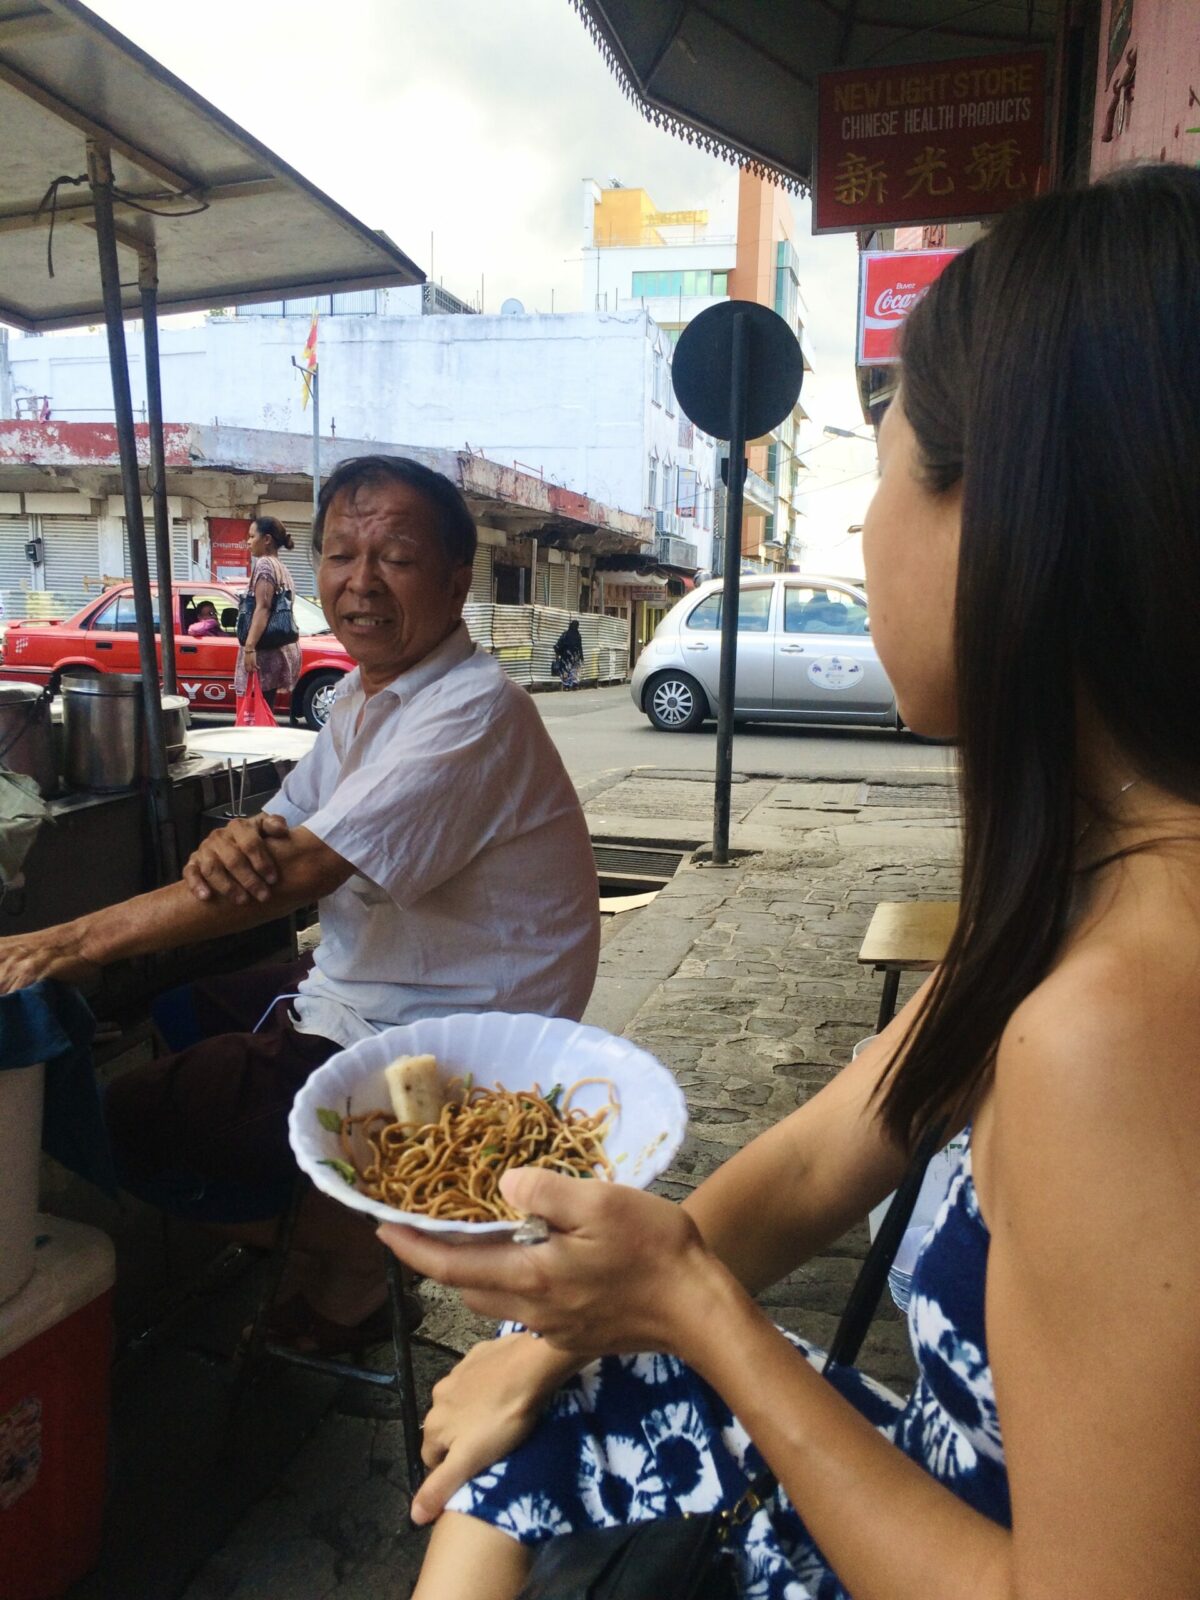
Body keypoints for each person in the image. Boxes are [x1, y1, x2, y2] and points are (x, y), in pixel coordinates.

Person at [379, 167, 1200, 1599]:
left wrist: (694, 1310)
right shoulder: (1077, 896)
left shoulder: (1114, 1030)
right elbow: (827, 1154)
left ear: (1010, 523)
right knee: (522, 1428)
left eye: (884, 476)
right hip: (941, 1492)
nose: (861, 538)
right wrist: (567, 1328)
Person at [0, 455, 601, 1353]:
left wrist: (68, 943)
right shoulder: (367, 697)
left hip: (448, 1048)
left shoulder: (472, 712)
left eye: (394, 556)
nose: (360, 582)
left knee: (117, 1126)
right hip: (371, 989)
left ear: (455, 581)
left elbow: (295, 872)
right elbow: (270, 842)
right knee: (170, 1015)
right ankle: (308, 1212)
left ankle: (381, 1252)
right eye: (339, 553)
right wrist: (226, 840)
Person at [236, 515, 302, 713]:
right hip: (279, 650)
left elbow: (263, 607)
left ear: (266, 539)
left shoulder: (264, 564)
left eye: (251, 536)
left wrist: (249, 648)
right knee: (265, 710)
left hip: (263, 655)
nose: (248, 542)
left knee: (256, 715)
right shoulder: (281, 567)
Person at [552, 618, 584, 690]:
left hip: (566, 656)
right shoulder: (578, 635)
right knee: (575, 670)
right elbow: (580, 647)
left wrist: (557, 652)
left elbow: (560, 644)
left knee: (565, 670)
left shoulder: (565, 634)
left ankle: (566, 685)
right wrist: (581, 656)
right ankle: (575, 684)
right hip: (576, 657)